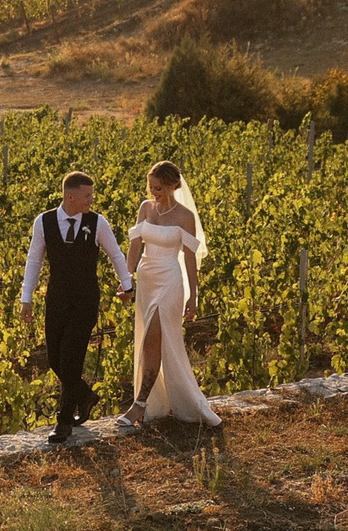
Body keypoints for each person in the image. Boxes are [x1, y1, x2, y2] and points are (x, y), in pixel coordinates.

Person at [19, 170, 133, 443]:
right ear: (70, 196)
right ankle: (85, 395)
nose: (91, 200)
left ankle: (64, 421)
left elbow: (116, 255)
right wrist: (26, 298)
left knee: (71, 358)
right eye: (87, 195)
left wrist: (128, 285)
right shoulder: (44, 222)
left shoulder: (97, 222)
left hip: (85, 300)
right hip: (56, 299)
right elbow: (34, 260)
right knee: (55, 359)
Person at [122, 161, 222, 429]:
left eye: (159, 188)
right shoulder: (145, 208)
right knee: (149, 338)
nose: (154, 193)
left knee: (152, 338)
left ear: (173, 186)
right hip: (146, 279)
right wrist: (126, 278)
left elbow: (189, 258)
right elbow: (135, 246)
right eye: (151, 188)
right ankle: (158, 401)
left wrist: (193, 296)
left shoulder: (185, 216)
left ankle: (139, 404)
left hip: (169, 281)